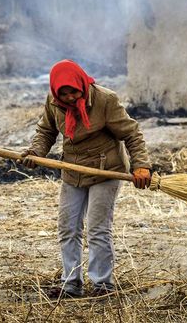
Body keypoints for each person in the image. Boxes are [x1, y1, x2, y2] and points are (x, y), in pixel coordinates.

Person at [20, 59, 152, 298]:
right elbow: (46, 131)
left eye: (74, 91)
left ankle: (102, 284)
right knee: (67, 228)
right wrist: (36, 153)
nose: (70, 97)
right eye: (64, 93)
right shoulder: (53, 102)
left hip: (105, 170)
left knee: (97, 229)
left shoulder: (105, 100)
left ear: (82, 84)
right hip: (72, 171)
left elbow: (131, 133)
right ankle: (71, 284)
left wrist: (141, 166)